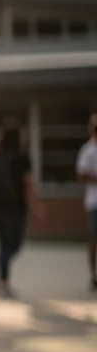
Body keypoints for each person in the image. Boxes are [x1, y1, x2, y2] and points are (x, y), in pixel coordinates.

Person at [0, 119, 43, 298]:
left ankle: (0, 276)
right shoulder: (22, 157)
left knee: (4, 242)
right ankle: (2, 279)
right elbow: (28, 182)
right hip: (15, 206)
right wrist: (37, 204)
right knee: (14, 244)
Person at [78, 114, 97, 292]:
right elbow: (82, 175)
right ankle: (93, 274)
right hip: (94, 202)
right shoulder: (88, 150)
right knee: (94, 238)